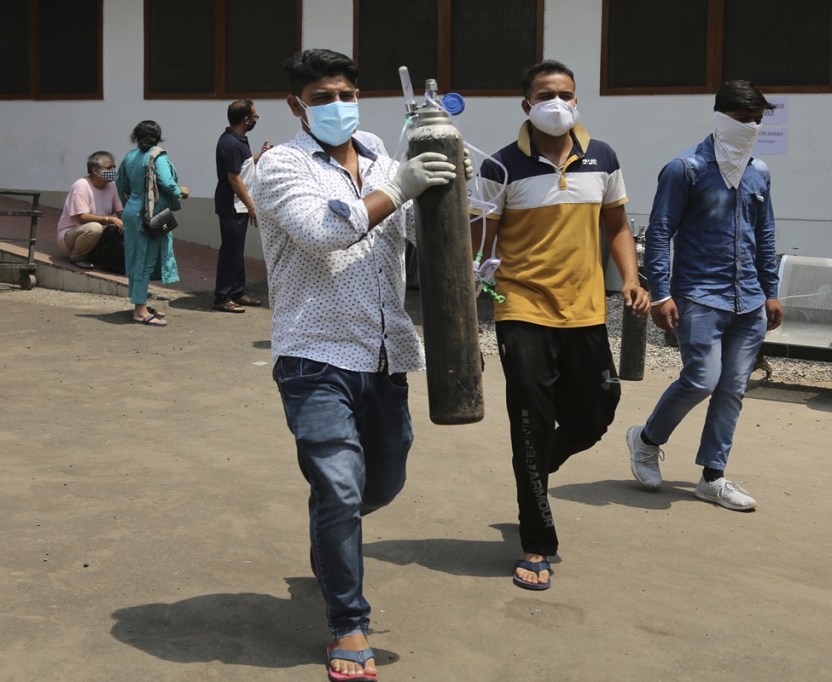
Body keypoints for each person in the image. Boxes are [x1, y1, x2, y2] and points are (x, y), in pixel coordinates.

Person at [252, 48, 468, 682]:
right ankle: (348, 623)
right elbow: (323, 233)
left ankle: (330, 529)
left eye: (345, 93)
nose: (336, 106)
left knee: (382, 485)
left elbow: (417, 230)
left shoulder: (379, 153)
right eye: (321, 98)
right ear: (297, 106)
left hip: (384, 351)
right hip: (314, 352)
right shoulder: (280, 167)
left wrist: (449, 197)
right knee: (342, 488)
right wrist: (396, 189)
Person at [476, 60, 649, 590]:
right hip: (521, 307)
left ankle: (535, 467)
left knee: (597, 410)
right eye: (546, 94)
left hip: (587, 309)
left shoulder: (604, 157)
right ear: (526, 104)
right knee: (530, 419)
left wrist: (632, 279)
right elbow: (480, 237)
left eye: (567, 94)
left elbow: (615, 222)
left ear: (577, 100)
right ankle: (536, 542)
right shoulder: (500, 166)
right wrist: (470, 295)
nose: (558, 102)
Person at [626, 80, 782, 511]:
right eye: (742, 119)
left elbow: (764, 235)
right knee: (701, 379)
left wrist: (770, 291)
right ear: (720, 117)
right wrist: (660, 293)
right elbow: (660, 232)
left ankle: (713, 476)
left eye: (757, 121)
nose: (750, 128)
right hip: (698, 294)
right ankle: (646, 439)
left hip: (748, 299)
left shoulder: (758, 172)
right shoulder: (686, 169)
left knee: (732, 389)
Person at [115, 121, 189, 326]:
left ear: (136, 136)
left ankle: (140, 304)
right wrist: (181, 191)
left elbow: (121, 183)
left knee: (136, 258)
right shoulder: (158, 156)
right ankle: (140, 311)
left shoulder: (130, 156)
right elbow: (166, 182)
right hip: (151, 215)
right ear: (158, 136)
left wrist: (130, 203)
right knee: (145, 261)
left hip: (132, 211)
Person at [212, 99, 266, 313]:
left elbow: (242, 165)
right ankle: (222, 296)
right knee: (230, 251)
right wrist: (251, 205)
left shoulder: (238, 140)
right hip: (232, 204)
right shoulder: (230, 143)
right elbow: (234, 178)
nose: (255, 120)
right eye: (254, 116)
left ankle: (237, 292)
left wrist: (260, 156)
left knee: (236, 251)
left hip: (238, 205)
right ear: (246, 119)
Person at [56, 151, 124, 269]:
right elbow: (82, 217)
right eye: (109, 168)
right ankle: (77, 256)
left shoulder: (112, 186)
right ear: (95, 171)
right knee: (94, 227)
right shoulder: (81, 185)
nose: (113, 171)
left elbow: (120, 212)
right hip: (72, 235)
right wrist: (110, 219)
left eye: (114, 167)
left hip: (99, 234)